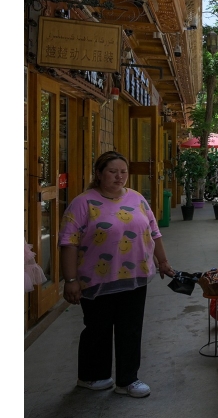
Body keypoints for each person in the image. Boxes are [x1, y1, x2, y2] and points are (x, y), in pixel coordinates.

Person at [58, 151, 174, 398]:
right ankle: (91, 376)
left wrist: (162, 261)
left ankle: (128, 380)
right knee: (97, 329)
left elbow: (154, 232)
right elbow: (68, 242)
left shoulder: (137, 198)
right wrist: (70, 280)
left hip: (135, 276)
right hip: (96, 279)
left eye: (123, 171)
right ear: (99, 174)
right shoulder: (83, 202)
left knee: (130, 329)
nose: (119, 176)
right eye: (113, 171)